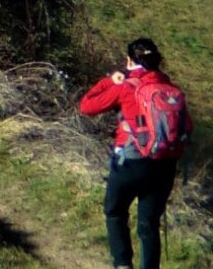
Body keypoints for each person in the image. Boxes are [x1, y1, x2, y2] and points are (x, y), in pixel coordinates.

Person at [80, 38, 191, 269]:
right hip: (165, 165)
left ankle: (123, 265)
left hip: (131, 163)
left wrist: (108, 80)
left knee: (115, 212)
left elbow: (87, 106)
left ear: (130, 60)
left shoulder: (126, 87)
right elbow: (187, 127)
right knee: (149, 225)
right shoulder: (173, 91)